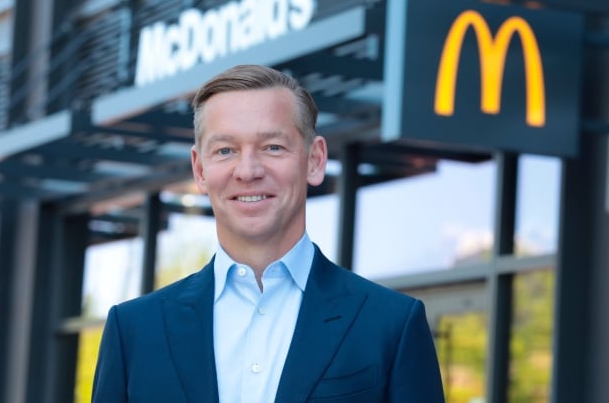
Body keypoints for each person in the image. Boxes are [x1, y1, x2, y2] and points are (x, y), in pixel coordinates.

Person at [91, 64, 445, 403]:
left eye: (272, 147)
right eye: (226, 150)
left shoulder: (391, 326)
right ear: (200, 169)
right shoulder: (134, 331)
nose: (247, 171)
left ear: (315, 160)